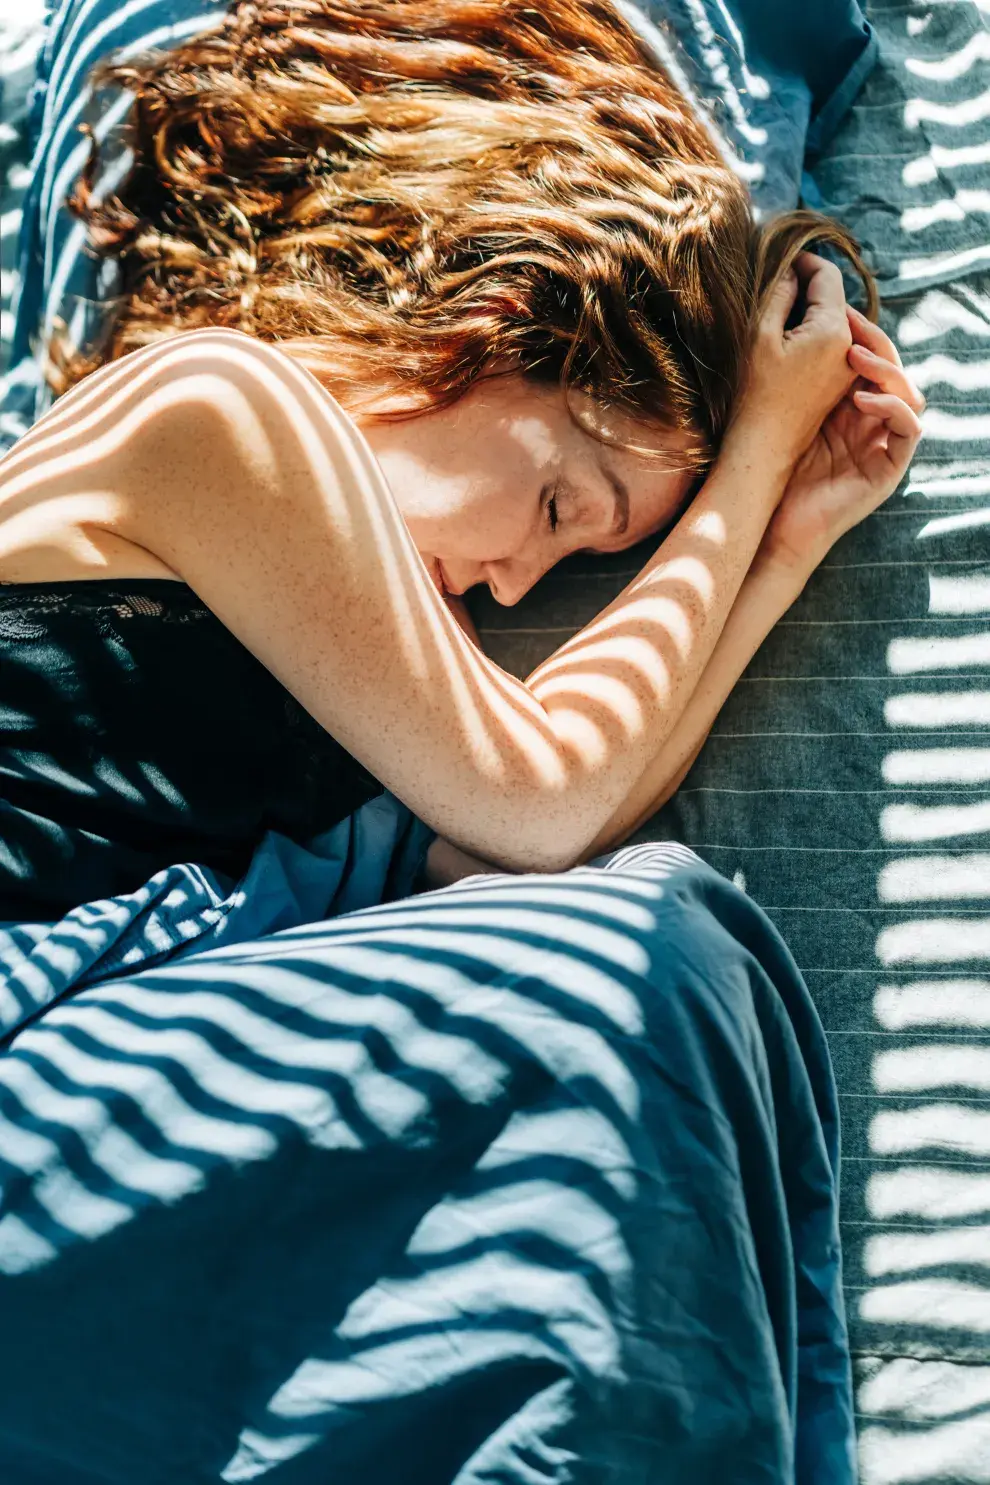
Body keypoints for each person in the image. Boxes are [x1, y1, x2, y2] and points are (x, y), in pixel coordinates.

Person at [0, 2, 924, 1479]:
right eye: (561, 507)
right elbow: (541, 797)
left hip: (110, 1068)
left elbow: (547, 805)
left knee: (647, 948)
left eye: (569, 571)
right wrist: (752, 447)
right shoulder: (216, 407)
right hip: (37, 1044)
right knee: (630, 961)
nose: (513, 589)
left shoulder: (329, 627)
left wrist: (789, 540)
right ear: (491, 313)